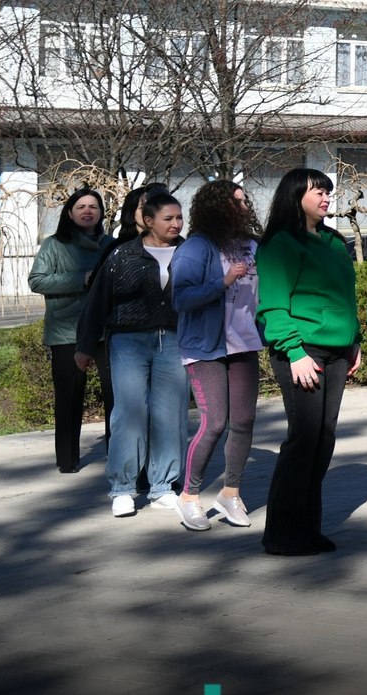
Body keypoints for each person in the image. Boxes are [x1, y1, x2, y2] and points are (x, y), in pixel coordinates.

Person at [257, 168, 362, 554]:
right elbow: (273, 305)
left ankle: (307, 528)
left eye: (327, 191)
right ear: (294, 195)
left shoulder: (333, 241)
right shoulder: (280, 243)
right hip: (301, 350)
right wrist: (295, 352)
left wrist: (354, 340)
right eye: (318, 191)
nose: (326, 197)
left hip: (336, 352)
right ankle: (281, 534)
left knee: (323, 438)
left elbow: (344, 296)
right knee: (303, 438)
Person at [78, 186, 188, 519]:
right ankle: (123, 488)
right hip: (128, 342)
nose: (176, 224)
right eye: (168, 218)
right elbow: (97, 301)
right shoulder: (122, 255)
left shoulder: (190, 252)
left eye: (179, 217)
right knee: (128, 414)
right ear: (149, 220)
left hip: (174, 341)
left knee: (170, 414)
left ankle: (163, 485)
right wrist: (85, 345)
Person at [169, 180, 262, 531]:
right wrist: (222, 282)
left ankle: (230, 493)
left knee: (244, 421)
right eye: (236, 202)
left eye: (244, 201)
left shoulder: (251, 245)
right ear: (216, 208)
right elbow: (181, 299)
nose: (243, 207)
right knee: (215, 422)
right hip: (205, 346)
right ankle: (189, 496)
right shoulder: (196, 247)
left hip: (245, 343)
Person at [29, 187, 107, 473]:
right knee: (68, 397)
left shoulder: (110, 245)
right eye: (81, 207)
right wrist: (81, 278)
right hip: (66, 331)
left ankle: (119, 455)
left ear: (101, 213)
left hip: (106, 330)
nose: (88, 211)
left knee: (118, 397)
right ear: (69, 213)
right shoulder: (54, 244)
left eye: (93, 207)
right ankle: (67, 460)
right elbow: (37, 281)